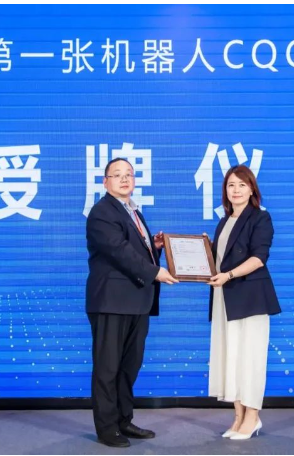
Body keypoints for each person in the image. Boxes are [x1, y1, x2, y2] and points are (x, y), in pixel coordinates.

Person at [86, 157, 179, 448]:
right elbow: (119, 251)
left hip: (137, 301)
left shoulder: (133, 211)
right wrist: (155, 271)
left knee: (129, 366)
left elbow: (135, 250)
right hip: (111, 302)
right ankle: (107, 428)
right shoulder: (102, 212)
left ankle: (124, 420)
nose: (125, 179)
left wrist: (155, 248)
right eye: (117, 175)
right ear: (105, 182)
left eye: (129, 174)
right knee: (108, 367)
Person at [207, 164, 281, 440]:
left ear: (252, 189)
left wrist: (228, 275)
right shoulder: (224, 221)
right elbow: (218, 259)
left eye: (242, 184)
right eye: (231, 185)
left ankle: (252, 417)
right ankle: (238, 417)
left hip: (250, 299)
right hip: (225, 298)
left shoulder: (260, 218)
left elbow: (258, 258)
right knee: (231, 358)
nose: (236, 190)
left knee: (250, 359)